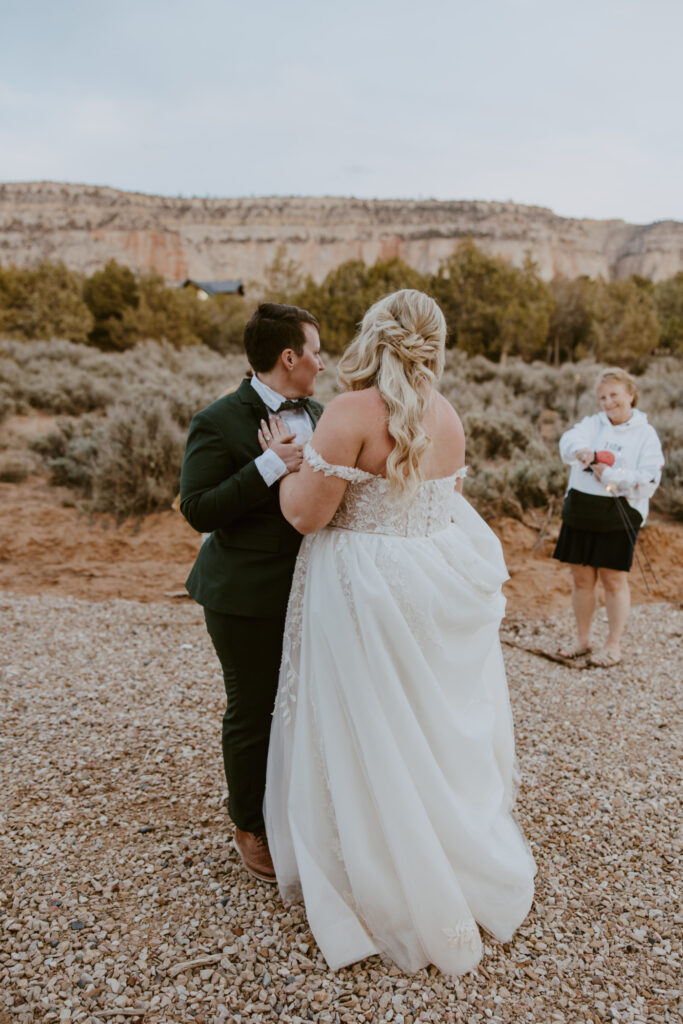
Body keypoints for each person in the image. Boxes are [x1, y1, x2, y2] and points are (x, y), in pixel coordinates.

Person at [262, 289, 535, 977]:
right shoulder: (446, 416)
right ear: (431, 346)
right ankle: (440, 855)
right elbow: (440, 508)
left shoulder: (350, 411)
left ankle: (376, 878)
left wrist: (288, 466)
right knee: (417, 725)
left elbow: (305, 518)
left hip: (359, 588)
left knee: (362, 722)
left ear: (371, 336)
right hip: (420, 585)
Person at [179, 302, 324, 882]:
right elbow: (197, 509)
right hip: (243, 595)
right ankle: (249, 825)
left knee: (306, 703)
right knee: (253, 709)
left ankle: (294, 807)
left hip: (313, 589)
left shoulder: (321, 413)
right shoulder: (217, 420)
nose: (322, 361)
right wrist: (267, 467)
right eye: (315, 350)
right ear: (289, 357)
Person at [553, 367, 664, 667]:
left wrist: (613, 475)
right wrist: (581, 450)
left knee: (614, 581)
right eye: (602, 397)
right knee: (581, 579)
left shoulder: (646, 434)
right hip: (580, 508)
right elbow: (569, 439)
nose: (608, 402)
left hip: (619, 514)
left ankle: (613, 646)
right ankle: (582, 640)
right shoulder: (592, 424)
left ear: (630, 394)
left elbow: (650, 479)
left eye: (614, 394)